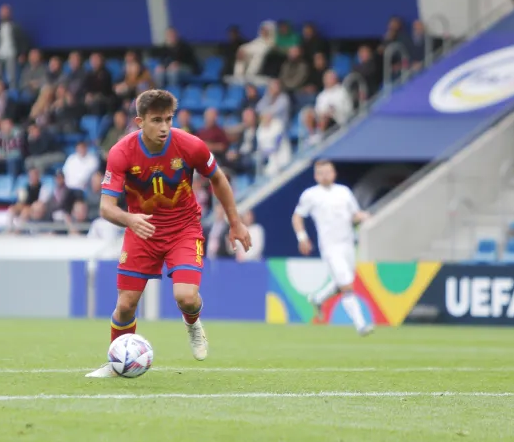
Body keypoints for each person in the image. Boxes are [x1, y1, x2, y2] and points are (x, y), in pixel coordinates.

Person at [86, 90, 251, 378]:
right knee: (125, 306)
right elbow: (106, 208)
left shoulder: (190, 145)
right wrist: (130, 220)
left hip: (183, 229)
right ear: (140, 121)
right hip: (142, 231)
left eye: (169, 119)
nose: (164, 127)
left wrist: (235, 222)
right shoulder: (121, 152)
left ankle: (193, 323)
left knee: (186, 297)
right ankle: (117, 363)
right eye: (156, 120)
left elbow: (219, 180)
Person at [291, 159, 374, 336]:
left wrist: (363, 216)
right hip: (330, 247)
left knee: (343, 282)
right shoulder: (311, 195)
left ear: (334, 173)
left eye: (328, 172)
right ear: (315, 176)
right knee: (346, 283)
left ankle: (318, 299)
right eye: (321, 173)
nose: (325, 175)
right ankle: (361, 325)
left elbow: (353, 215)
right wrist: (302, 237)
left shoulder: (344, 192)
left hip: (348, 244)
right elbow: (297, 217)